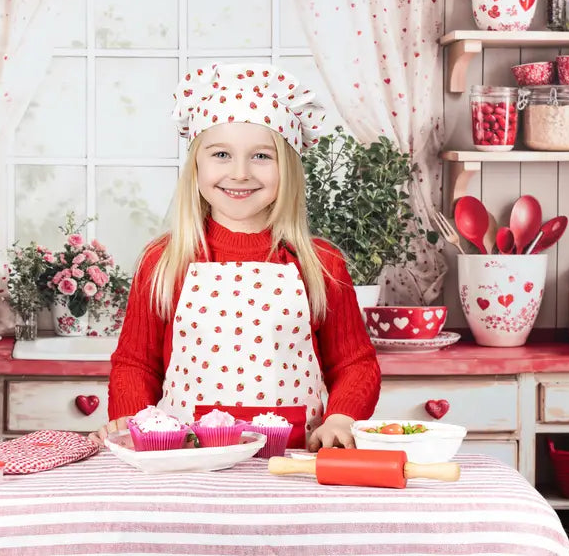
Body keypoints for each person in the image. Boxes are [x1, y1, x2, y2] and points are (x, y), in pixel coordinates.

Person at [93, 63, 381, 451]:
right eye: (221, 154)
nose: (240, 173)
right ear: (196, 166)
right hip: (186, 459)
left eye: (261, 155)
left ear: (287, 168)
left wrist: (341, 419)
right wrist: (132, 422)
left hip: (291, 460)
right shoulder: (163, 261)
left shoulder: (321, 264)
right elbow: (135, 364)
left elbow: (354, 364)